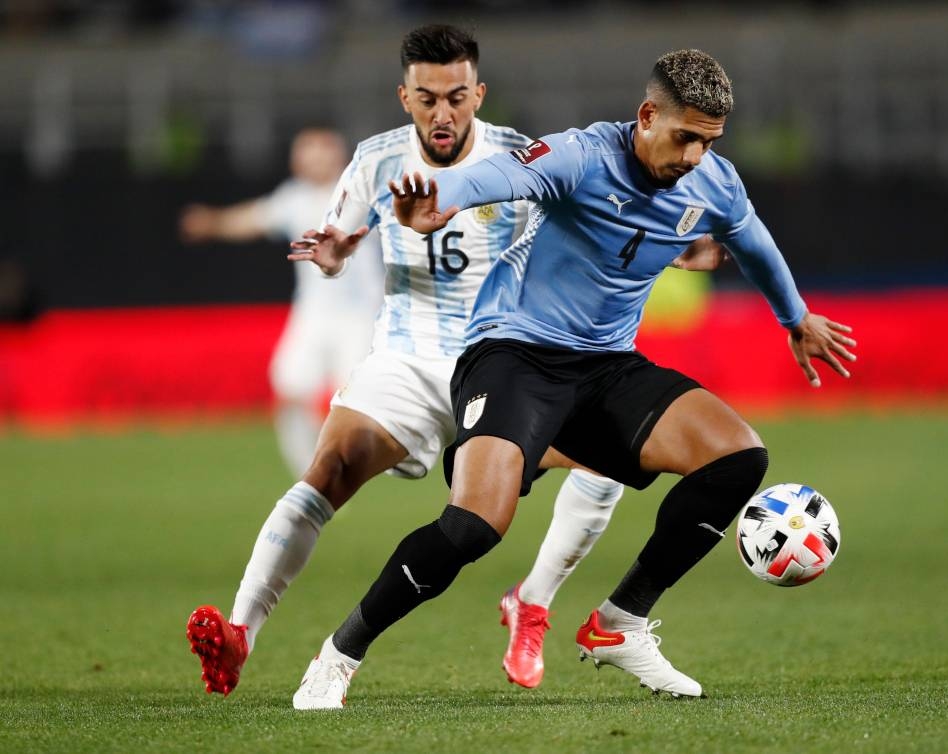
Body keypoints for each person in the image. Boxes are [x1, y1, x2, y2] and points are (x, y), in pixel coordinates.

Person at [289, 48, 858, 710]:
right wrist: (436, 203)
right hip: (513, 355)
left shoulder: (713, 182)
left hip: (606, 367)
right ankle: (339, 655)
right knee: (474, 526)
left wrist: (795, 318)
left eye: (708, 141)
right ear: (647, 116)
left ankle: (621, 624)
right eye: (685, 138)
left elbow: (753, 241)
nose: (696, 156)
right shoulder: (580, 157)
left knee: (738, 457)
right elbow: (496, 176)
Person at [185, 26, 721, 701]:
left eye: (458, 98)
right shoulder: (375, 161)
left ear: (479, 95)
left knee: (607, 463)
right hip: (409, 360)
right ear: (405, 96)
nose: (444, 114)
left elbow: (592, 220)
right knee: (326, 472)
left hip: (510, 358)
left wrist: (677, 249)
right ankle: (239, 633)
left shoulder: (517, 156)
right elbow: (341, 240)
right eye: (429, 98)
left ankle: (533, 602)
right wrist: (332, 256)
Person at [178, 129, 385, 477]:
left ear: (339, 155)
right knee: (289, 389)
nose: (315, 158)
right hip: (314, 312)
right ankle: (310, 474)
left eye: (322, 150)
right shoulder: (294, 198)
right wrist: (212, 223)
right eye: (307, 151)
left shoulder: (365, 192)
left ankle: (349, 468)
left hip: (361, 315)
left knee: (353, 401)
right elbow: (252, 219)